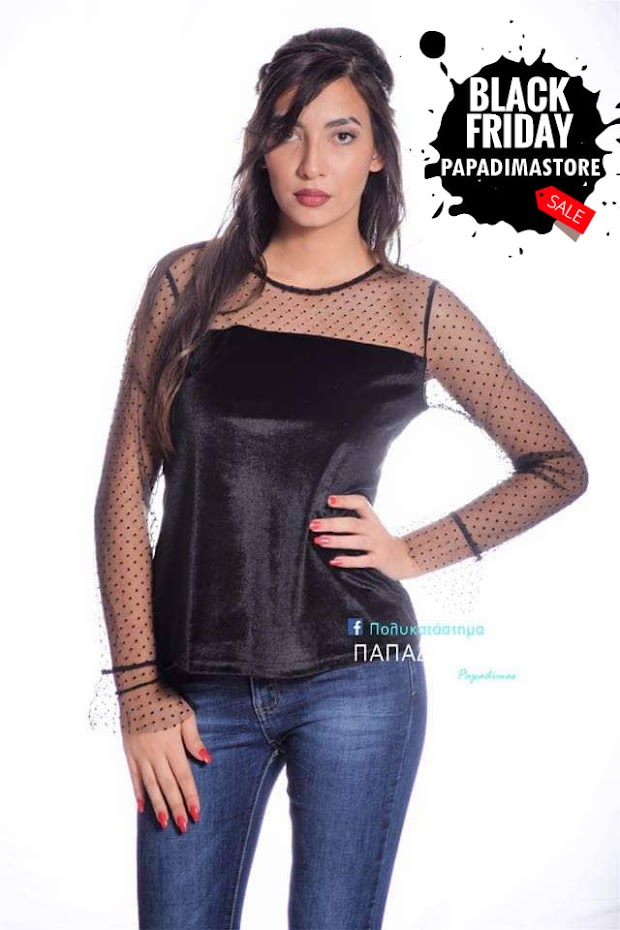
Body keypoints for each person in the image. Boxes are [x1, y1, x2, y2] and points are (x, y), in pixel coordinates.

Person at [92, 26, 589, 930]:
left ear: (378, 155)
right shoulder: (187, 283)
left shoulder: (418, 311)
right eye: (287, 131)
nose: (312, 162)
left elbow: (558, 466)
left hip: (362, 679)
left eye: (342, 133)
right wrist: (138, 694)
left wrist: (413, 551)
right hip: (195, 688)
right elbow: (124, 493)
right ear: (259, 147)